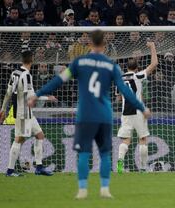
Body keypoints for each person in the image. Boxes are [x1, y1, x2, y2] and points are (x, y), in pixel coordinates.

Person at [28, 30, 151, 199]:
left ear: (90, 44)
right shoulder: (111, 65)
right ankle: (105, 190)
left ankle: (83, 190)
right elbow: (125, 91)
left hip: (85, 113)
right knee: (105, 153)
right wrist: (141, 107)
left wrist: (37, 94)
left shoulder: (79, 62)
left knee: (85, 153)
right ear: (104, 45)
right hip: (104, 114)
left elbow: (59, 80)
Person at [0, 50, 56, 177]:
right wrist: (47, 98)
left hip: (26, 112)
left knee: (40, 135)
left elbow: (8, 93)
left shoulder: (15, 73)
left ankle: (39, 167)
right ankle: (10, 170)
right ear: (32, 59)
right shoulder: (26, 75)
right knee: (19, 139)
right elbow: (31, 96)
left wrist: (3, 109)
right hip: (23, 113)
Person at [116, 42, 158, 173]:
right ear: (137, 67)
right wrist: (152, 47)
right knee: (143, 139)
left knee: (126, 140)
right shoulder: (138, 75)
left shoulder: (120, 79)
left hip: (126, 112)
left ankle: (120, 162)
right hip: (139, 111)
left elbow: (118, 98)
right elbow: (154, 64)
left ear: (126, 67)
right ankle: (144, 167)